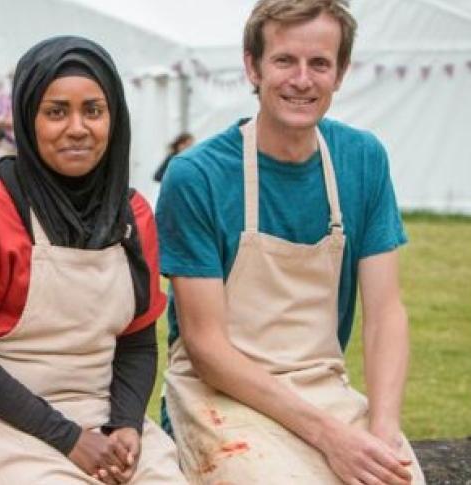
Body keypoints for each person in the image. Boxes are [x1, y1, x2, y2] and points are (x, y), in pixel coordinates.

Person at [157, 1, 426, 484]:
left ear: (340, 72)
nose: (301, 80)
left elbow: (386, 313)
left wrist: (383, 432)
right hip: (217, 397)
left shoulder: (362, 159)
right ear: (251, 66)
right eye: (284, 60)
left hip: (321, 386)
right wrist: (331, 438)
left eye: (319, 63)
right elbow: (206, 347)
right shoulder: (196, 175)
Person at [0, 36, 188, 485]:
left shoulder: (134, 217)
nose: (77, 127)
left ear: (114, 118)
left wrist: (127, 423)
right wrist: (67, 438)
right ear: (28, 121)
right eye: (56, 112)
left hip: (101, 415)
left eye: (93, 110)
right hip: (0, 419)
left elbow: (137, 342)